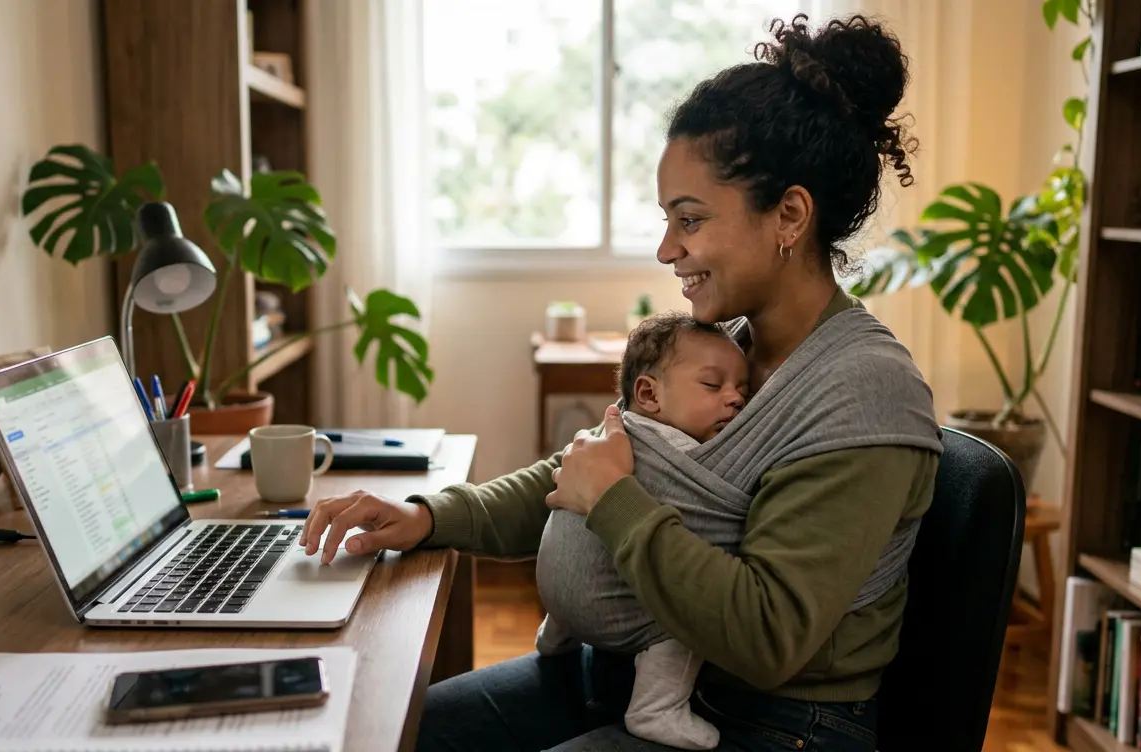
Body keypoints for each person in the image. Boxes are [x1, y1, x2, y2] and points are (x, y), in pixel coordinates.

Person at [300, 13, 941, 751]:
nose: (668, 248)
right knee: (394, 731)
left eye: (690, 219)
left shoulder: (862, 391)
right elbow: (590, 463)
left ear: (789, 216)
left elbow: (770, 637)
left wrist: (615, 504)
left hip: (773, 721)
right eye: (668, 219)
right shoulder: (728, 349)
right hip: (631, 676)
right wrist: (428, 516)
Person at [535, 312, 749, 750]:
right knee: (691, 611)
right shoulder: (689, 455)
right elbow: (726, 519)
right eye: (713, 386)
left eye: (743, 389)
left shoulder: (607, 436)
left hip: (554, 596)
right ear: (649, 394)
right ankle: (656, 709)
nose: (736, 400)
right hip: (608, 616)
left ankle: (554, 637)